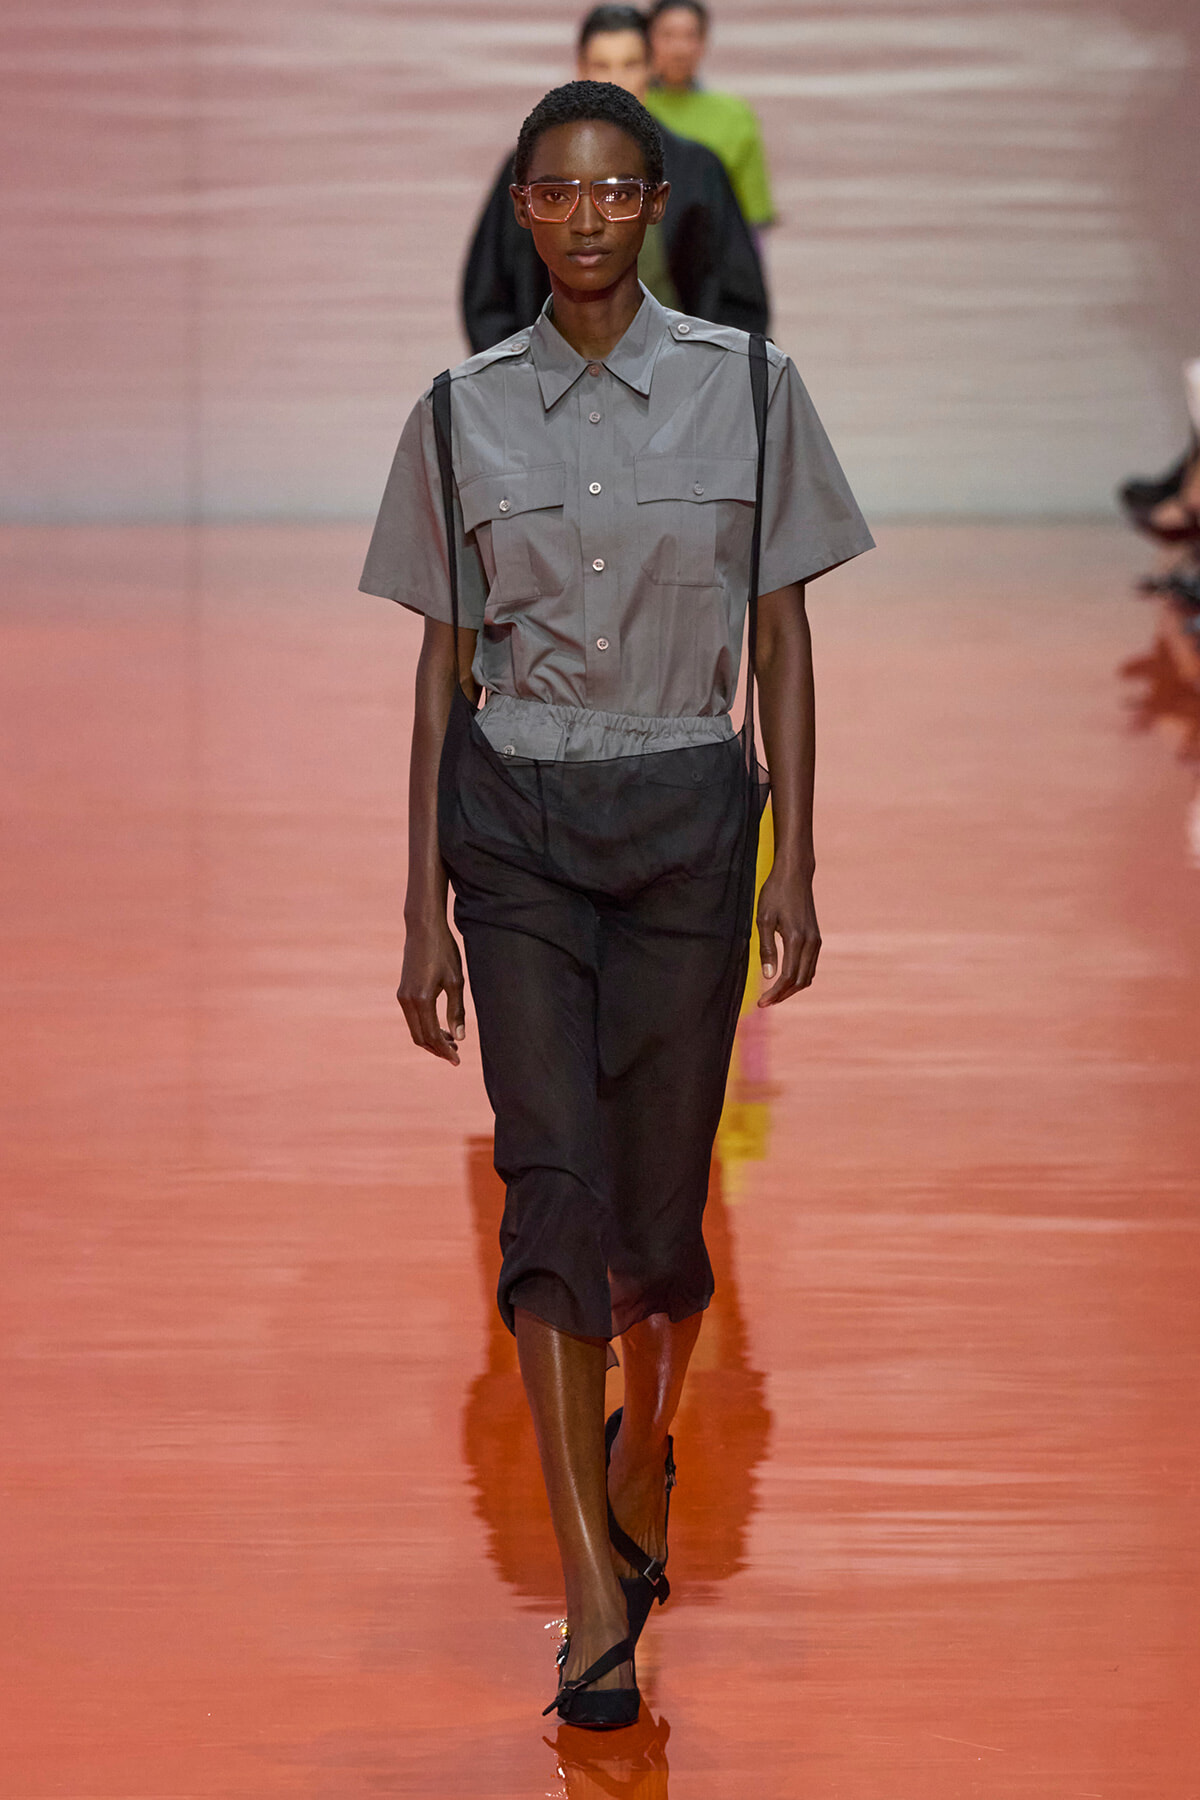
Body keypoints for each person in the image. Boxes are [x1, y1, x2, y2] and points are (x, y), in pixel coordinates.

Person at [361, 80, 872, 1728]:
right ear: (523, 212)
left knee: (658, 1218)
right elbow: (441, 672)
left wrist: (799, 855)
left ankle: (645, 1444)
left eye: (613, 192)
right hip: (514, 823)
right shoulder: (455, 413)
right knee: (553, 1190)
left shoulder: (754, 391)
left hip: (684, 825)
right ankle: (592, 1595)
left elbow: (784, 638)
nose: (584, 218)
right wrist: (421, 906)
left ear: (656, 208)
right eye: (554, 194)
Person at [460, 4, 767, 353]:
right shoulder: (533, 168)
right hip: (550, 388)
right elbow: (488, 295)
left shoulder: (699, 170)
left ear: (652, 68)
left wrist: (710, 380)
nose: (615, 80)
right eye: (602, 65)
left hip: (678, 388)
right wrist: (516, 383)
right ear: (580, 69)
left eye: (630, 64)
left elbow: (740, 299)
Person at [645, 0, 774, 233]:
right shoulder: (631, 108)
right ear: (647, 40)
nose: (680, 49)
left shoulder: (734, 115)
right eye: (668, 35)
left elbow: (753, 218)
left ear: (703, 43)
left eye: (690, 36)